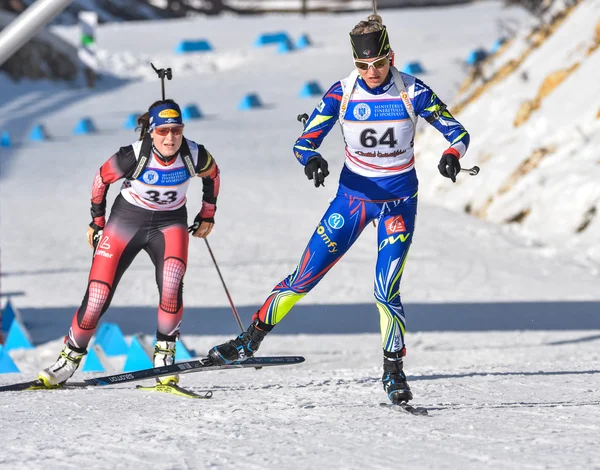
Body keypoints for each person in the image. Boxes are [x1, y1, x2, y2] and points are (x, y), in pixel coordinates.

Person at [208, 16, 470, 404]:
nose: (372, 72)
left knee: (385, 290)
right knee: (303, 277)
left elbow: (457, 131)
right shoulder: (343, 92)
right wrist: (311, 159)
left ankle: (393, 370)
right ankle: (249, 340)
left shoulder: (412, 90)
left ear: (391, 57)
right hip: (351, 200)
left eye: (379, 64)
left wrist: (452, 154)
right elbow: (304, 141)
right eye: (363, 65)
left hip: (398, 203)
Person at [38, 99, 220, 387]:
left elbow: (213, 175)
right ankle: (68, 360)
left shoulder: (194, 154)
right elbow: (101, 179)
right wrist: (97, 222)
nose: (170, 137)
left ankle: (164, 356)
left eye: (176, 130)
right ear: (151, 131)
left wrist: (207, 213)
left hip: (169, 224)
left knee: (172, 282)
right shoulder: (132, 155)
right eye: (163, 131)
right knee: (97, 294)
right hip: (126, 222)